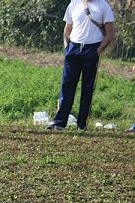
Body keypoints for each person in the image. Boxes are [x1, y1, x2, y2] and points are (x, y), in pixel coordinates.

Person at [48, 0, 116, 131]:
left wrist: (98, 51)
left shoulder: (103, 6)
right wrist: (67, 47)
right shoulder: (74, 4)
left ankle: (82, 123)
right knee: (67, 85)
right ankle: (60, 122)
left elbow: (110, 34)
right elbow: (67, 29)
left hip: (91, 49)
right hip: (73, 48)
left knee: (87, 87)